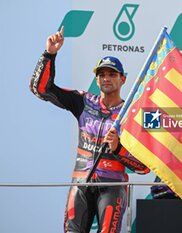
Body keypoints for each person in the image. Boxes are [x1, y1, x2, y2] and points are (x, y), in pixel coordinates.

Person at [30, 26, 150, 233]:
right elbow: (40, 90)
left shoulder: (131, 114)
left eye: (112, 74)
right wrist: (49, 54)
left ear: (122, 79)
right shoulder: (84, 101)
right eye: (102, 74)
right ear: (96, 79)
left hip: (113, 188)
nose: (106, 78)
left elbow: (144, 167)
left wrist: (118, 148)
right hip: (80, 184)